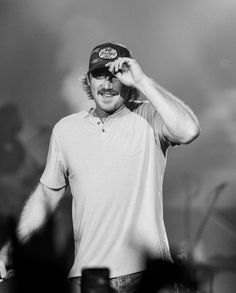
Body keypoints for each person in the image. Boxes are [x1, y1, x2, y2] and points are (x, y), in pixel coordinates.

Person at [0, 42, 200, 292]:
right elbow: (46, 196)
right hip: (87, 278)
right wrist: (9, 249)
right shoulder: (66, 129)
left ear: (126, 81)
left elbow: (189, 130)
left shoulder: (149, 117)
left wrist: (142, 81)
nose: (106, 84)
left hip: (146, 277)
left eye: (114, 76)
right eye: (99, 76)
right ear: (89, 80)